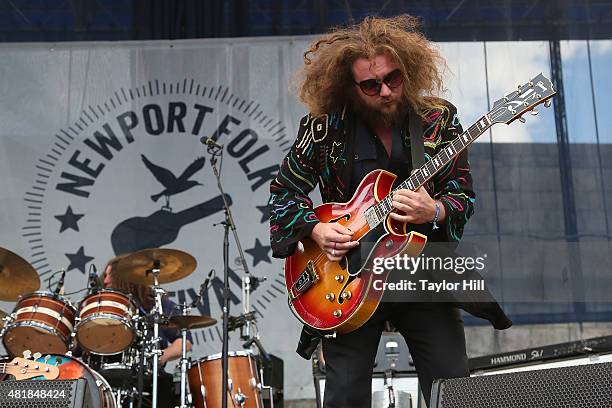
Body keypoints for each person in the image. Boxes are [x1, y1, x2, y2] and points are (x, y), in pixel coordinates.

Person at [269, 15, 511, 407]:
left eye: (393, 78)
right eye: (370, 85)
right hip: (348, 277)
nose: (385, 91)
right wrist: (315, 229)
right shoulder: (323, 127)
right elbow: (284, 192)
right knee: (344, 394)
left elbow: (462, 196)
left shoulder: (438, 119)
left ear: (407, 71)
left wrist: (434, 210)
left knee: (452, 387)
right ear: (349, 88)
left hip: (423, 268)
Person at [101, 254, 193, 407]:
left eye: (109, 276)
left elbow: (185, 342)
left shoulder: (157, 304)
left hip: (150, 377)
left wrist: (161, 357)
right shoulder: (101, 304)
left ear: (124, 278)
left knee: (165, 384)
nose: (105, 281)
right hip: (104, 372)